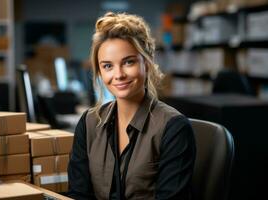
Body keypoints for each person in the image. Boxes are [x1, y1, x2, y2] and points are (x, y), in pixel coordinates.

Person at [67, 12, 196, 200]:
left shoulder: (174, 128)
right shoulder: (89, 123)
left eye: (128, 62)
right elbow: (78, 194)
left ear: (148, 63)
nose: (118, 75)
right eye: (108, 66)